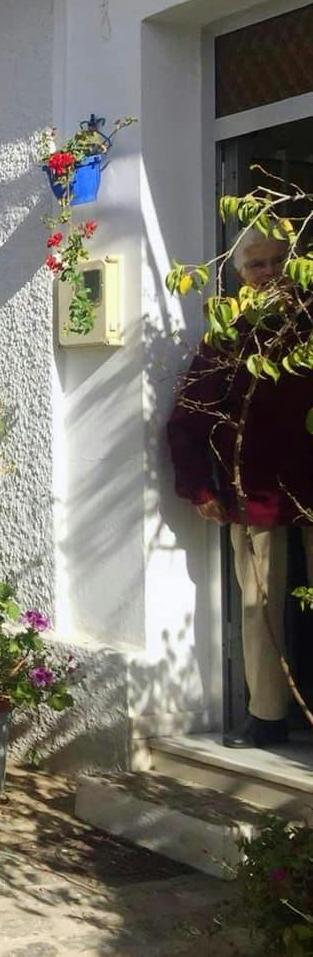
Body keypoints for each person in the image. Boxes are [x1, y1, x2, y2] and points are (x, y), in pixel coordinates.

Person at [166, 230, 313, 748]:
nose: (269, 273)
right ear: (239, 272)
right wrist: (197, 487)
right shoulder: (228, 332)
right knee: (259, 604)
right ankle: (267, 715)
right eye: (256, 265)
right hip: (253, 489)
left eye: (279, 262)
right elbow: (187, 417)